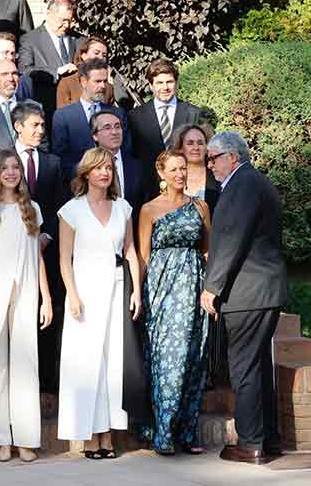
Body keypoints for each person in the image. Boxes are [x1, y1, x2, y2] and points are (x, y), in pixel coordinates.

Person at [201, 132, 288, 464]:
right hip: (260, 290)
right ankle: (269, 440)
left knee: (244, 368)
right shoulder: (253, 182)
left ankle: (251, 443)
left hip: (248, 292)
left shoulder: (243, 184)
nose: (209, 165)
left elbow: (231, 239)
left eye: (213, 158)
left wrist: (212, 287)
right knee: (258, 366)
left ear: (232, 157)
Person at [56, 148, 145, 458]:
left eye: (109, 168)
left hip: (117, 288)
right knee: (87, 363)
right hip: (84, 291)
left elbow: (132, 251)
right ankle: (90, 434)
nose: (105, 173)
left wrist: (137, 292)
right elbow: (64, 259)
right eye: (98, 168)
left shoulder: (123, 208)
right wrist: (73, 295)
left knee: (112, 364)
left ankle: (107, 434)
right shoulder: (71, 210)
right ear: (86, 173)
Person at [0, 149, 52, 463]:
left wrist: (46, 297)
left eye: (15, 167)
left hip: (27, 289)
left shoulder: (32, 209)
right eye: (4, 168)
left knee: (26, 362)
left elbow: (37, 256)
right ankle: (0, 438)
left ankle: (26, 438)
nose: (11, 172)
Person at [138, 150, 211, 456]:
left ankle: (187, 431)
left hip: (193, 286)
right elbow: (143, 256)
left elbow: (208, 251)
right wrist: (138, 295)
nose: (180, 174)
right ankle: (163, 431)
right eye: (174, 169)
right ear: (162, 175)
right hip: (162, 290)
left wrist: (210, 289)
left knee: (193, 358)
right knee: (168, 359)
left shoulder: (201, 207)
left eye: (183, 169)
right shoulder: (149, 210)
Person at [10, 101, 67, 392]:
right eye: (35, 125)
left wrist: (47, 237)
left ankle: (46, 379)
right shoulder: (4, 160)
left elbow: (60, 206)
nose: (41, 130)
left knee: (48, 309)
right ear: (18, 126)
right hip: (13, 251)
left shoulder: (53, 162)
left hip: (47, 249)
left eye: (43, 125)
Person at [128, 58, 204, 197]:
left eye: (169, 82)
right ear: (151, 85)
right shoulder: (135, 117)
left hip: (187, 189)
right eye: (159, 83)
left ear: (176, 83)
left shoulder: (194, 114)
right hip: (149, 192)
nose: (165, 87)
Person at [51, 59, 128, 179]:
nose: (103, 86)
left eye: (105, 81)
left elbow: (126, 151)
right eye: (97, 81)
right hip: (78, 185)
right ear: (83, 82)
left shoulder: (117, 114)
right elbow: (60, 157)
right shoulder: (63, 116)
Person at [17, 0, 84, 117]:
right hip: (47, 108)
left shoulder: (80, 40)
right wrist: (56, 71)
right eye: (63, 20)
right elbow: (24, 70)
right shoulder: (30, 40)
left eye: (70, 20)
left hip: (76, 109)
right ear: (49, 14)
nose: (67, 25)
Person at [91, 108, 145, 216]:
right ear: (95, 136)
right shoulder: (87, 168)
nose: (114, 132)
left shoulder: (138, 166)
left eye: (117, 127)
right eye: (107, 128)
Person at [56, 36, 115, 108]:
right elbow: (63, 116)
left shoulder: (107, 87)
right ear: (84, 55)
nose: (100, 58)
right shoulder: (67, 83)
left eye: (104, 55)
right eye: (96, 53)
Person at [174, 123, 219, 213]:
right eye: (190, 143)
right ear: (180, 148)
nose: (196, 147)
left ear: (207, 148)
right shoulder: (170, 177)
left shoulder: (218, 176)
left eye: (200, 143)